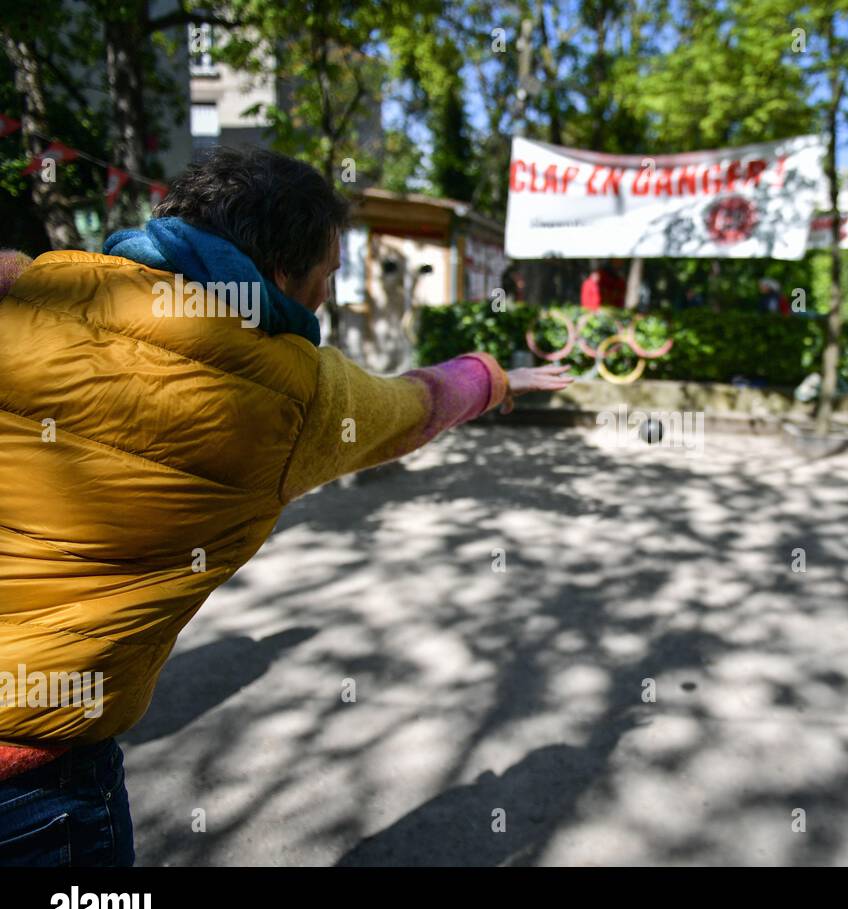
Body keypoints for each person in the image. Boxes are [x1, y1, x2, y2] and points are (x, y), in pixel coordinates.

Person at [0, 146, 573, 866]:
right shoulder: (293, 393)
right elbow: (415, 406)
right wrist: (494, 377)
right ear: (278, 273)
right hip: (35, 779)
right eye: (328, 275)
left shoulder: (40, 284)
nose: (329, 296)